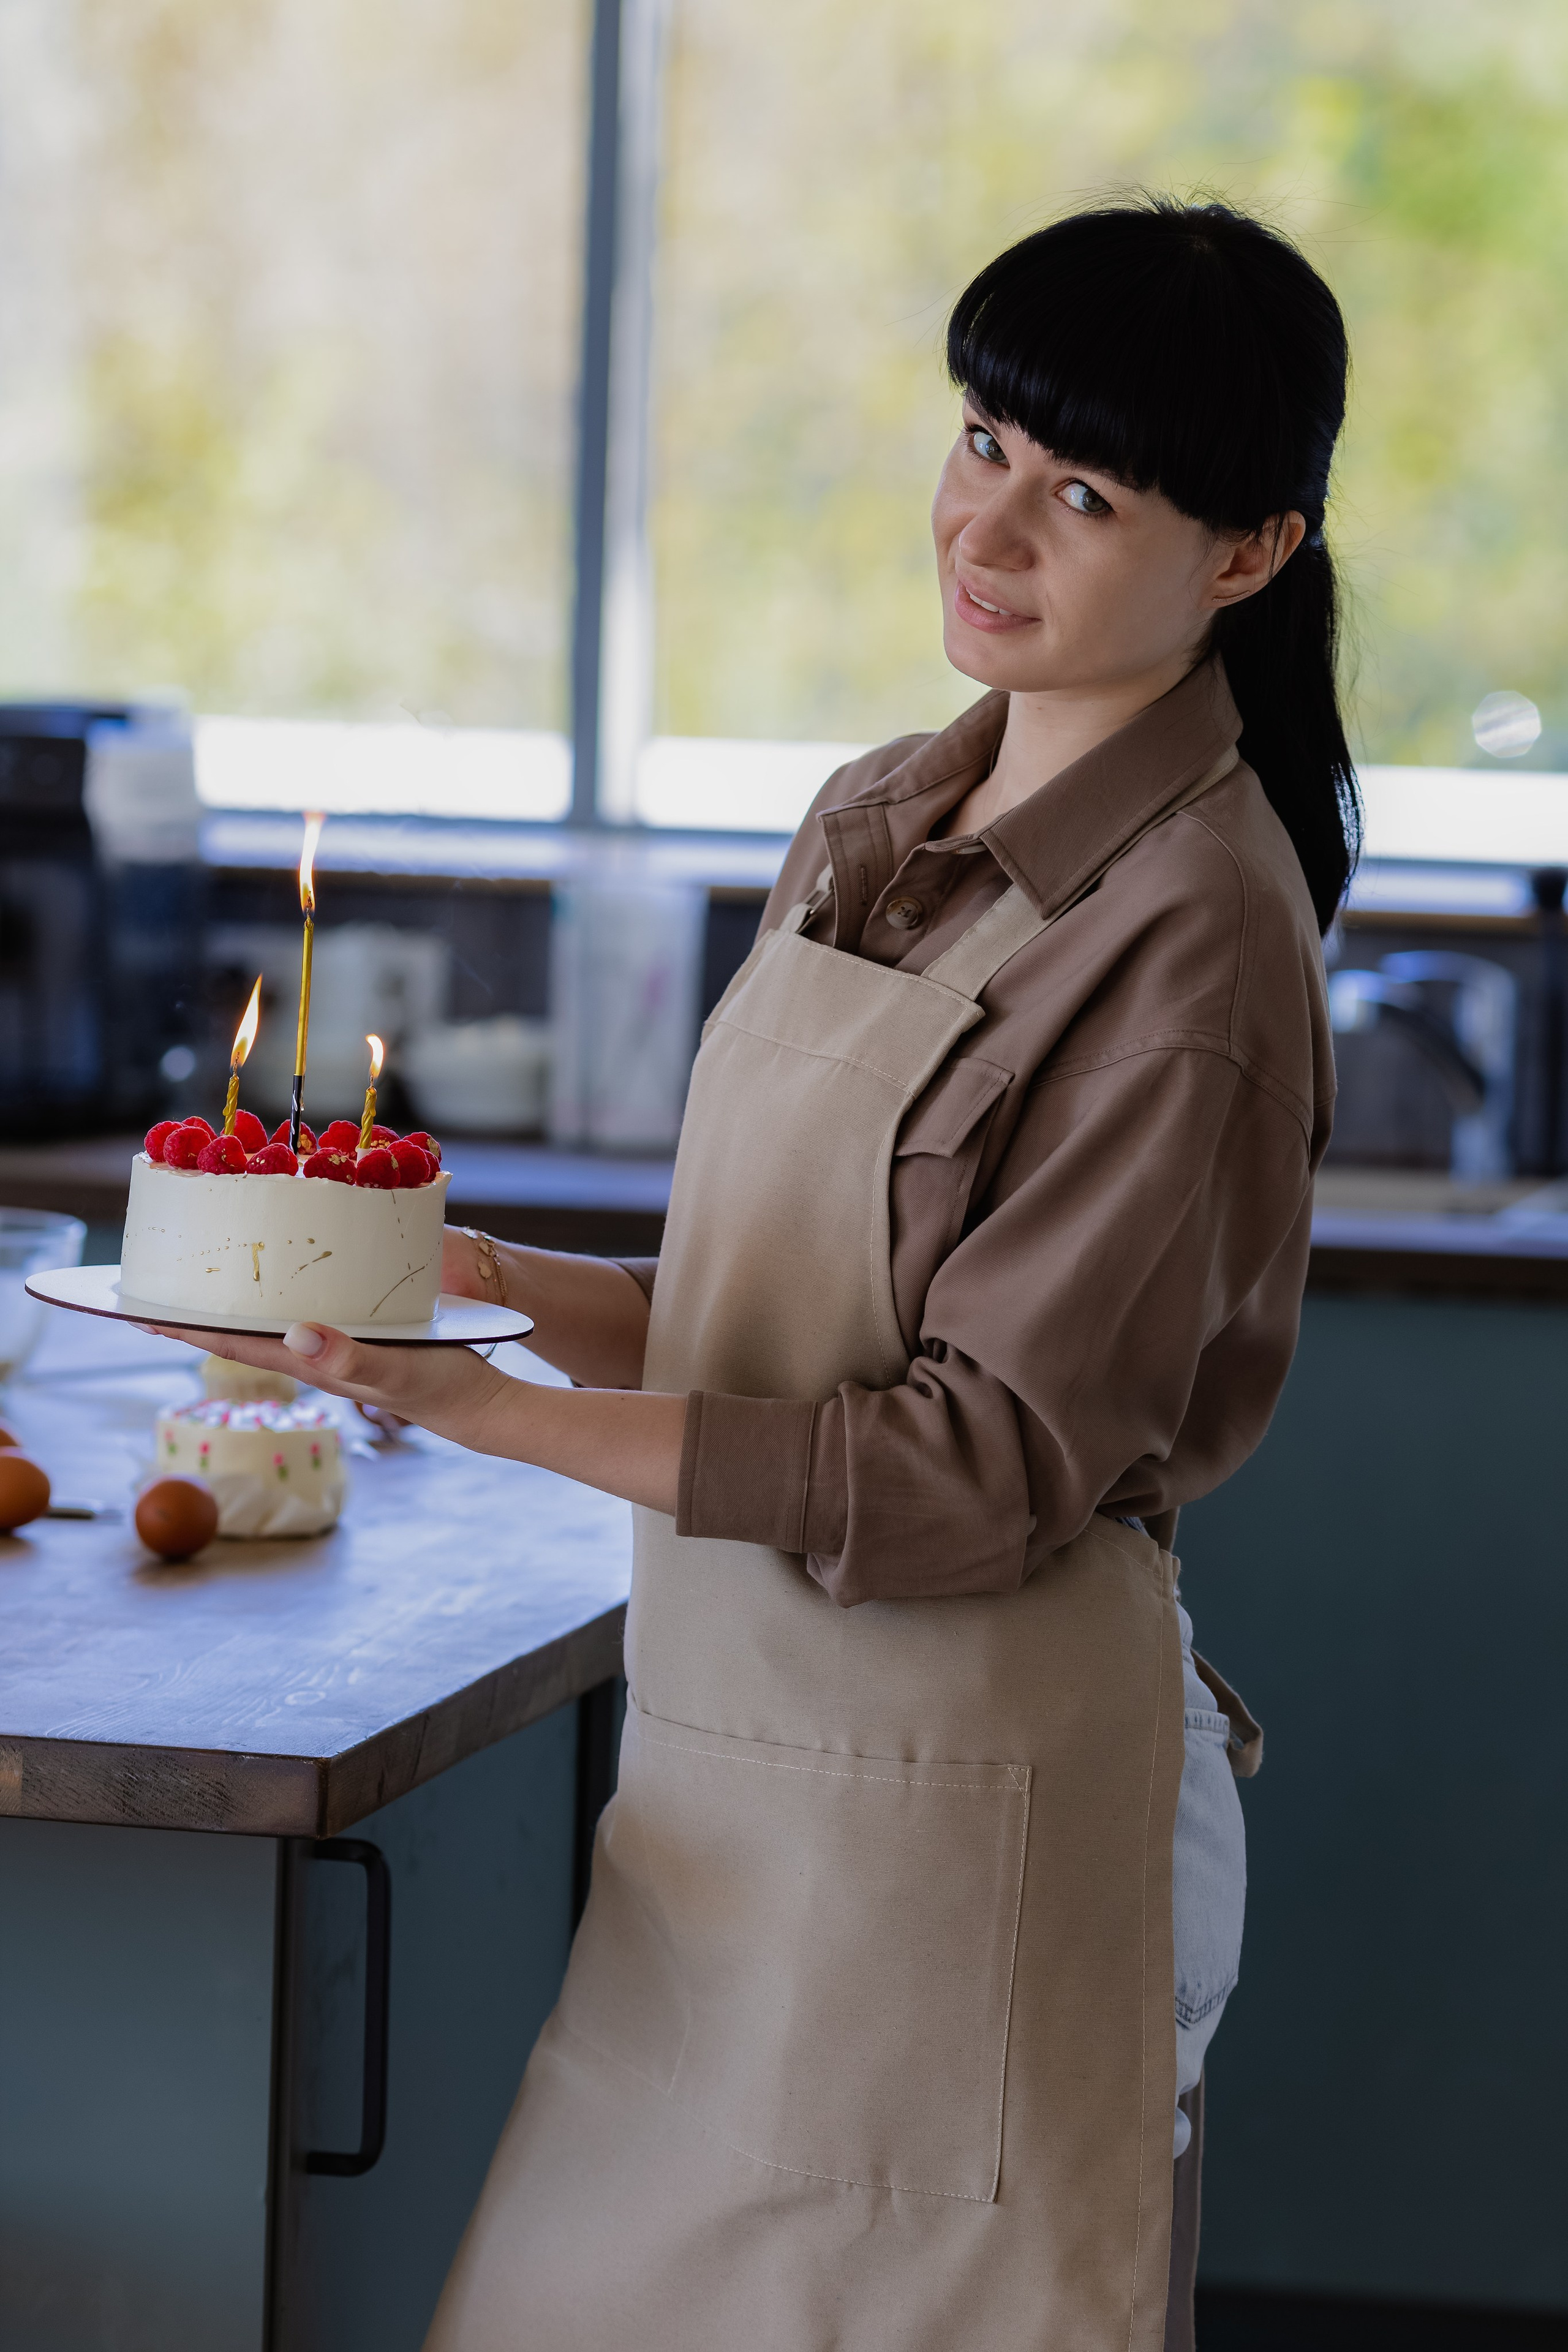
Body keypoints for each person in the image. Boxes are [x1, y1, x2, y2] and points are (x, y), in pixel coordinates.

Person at [170, 198, 1350, 2352]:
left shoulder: (1199, 928)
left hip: (982, 1846)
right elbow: (753, 1311)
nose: (991, 526)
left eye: (1084, 493)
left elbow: (973, 1462)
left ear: (1250, 554)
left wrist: (494, 1419)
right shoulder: (883, 813)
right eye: (985, 442)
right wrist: (445, 1274)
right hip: (747, 1817)